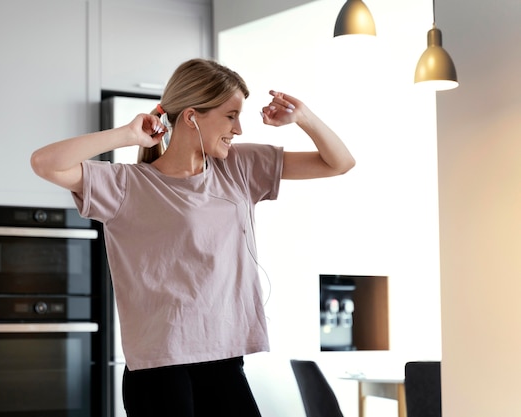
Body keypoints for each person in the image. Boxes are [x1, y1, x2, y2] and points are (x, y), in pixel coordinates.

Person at [30, 58, 355, 417]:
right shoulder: (127, 185)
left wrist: (303, 116)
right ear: (191, 117)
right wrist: (126, 134)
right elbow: (45, 163)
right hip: (159, 369)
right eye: (231, 116)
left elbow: (339, 163)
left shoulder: (238, 167)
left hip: (224, 360)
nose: (239, 129)